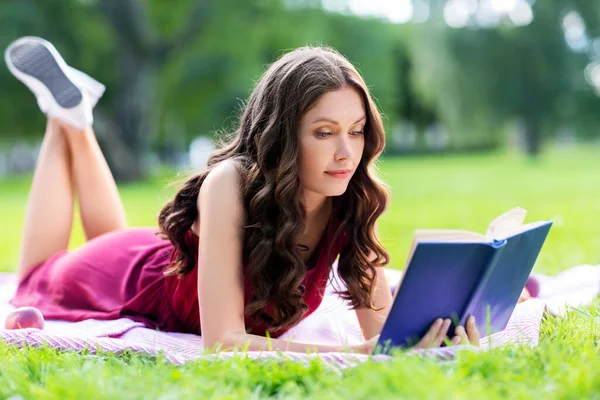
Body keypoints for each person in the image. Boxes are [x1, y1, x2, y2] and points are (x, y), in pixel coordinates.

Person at [5, 36, 480, 354]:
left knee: (105, 236)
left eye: (356, 132)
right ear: (282, 136)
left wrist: (434, 339)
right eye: (323, 132)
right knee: (36, 276)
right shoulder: (230, 183)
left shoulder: (351, 195)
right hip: (125, 277)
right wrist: (352, 354)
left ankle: (76, 115)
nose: (345, 153)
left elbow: (381, 336)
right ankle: (62, 117)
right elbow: (223, 342)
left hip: (158, 261)